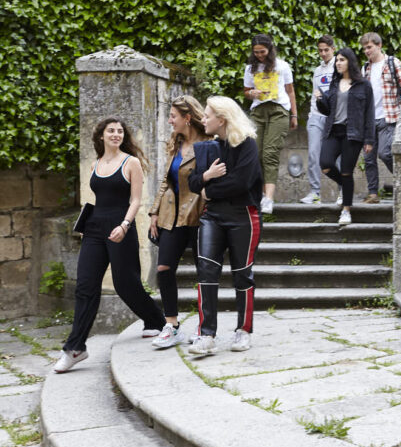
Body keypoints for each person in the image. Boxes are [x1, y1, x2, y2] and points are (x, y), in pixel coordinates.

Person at [55, 118, 166, 373]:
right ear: (101, 136)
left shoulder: (131, 162)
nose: (116, 134)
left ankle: (156, 320)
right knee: (85, 286)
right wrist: (87, 229)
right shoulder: (95, 164)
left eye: (119, 131)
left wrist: (125, 225)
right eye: (111, 131)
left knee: (126, 284)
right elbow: (96, 199)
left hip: (121, 227)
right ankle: (76, 348)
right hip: (94, 229)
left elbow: (136, 200)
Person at [186, 96, 264, 356]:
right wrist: (207, 178)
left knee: (242, 273)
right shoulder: (207, 148)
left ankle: (244, 330)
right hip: (213, 217)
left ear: (222, 118)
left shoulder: (247, 145)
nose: (203, 119)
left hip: (244, 215)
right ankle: (206, 335)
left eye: (207, 115)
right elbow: (193, 182)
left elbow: (242, 182)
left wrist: (209, 190)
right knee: (206, 271)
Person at [147, 95, 210, 349]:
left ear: (187, 118)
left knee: (204, 272)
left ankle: (206, 328)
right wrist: (154, 211)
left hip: (198, 214)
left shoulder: (209, 143)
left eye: (173, 116)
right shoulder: (176, 142)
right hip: (171, 216)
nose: (170, 121)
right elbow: (166, 180)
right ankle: (171, 325)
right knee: (164, 269)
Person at [316, 48, 375, 225]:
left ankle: (346, 211)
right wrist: (320, 100)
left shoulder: (363, 85)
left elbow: (369, 113)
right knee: (325, 164)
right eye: (337, 61)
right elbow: (327, 110)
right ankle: (346, 186)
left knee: (346, 171)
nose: (338, 63)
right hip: (333, 131)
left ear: (350, 61)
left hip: (353, 134)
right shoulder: (334, 83)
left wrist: (369, 139)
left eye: (341, 60)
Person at [243, 34, 296, 214]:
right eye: (256, 52)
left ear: (270, 49)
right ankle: (261, 194)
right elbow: (246, 91)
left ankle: (269, 199)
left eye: (262, 51)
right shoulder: (251, 68)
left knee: (270, 153)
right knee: (255, 154)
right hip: (258, 111)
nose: (259, 55)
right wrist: (252, 93)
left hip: (279, 110)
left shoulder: (282, 66)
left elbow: (290, 91)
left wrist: (294, 115)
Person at [360, 32, 401, 203]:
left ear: (379, 45)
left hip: (388, 118)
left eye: (369, 47)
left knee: (385, 153)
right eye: (364, 48)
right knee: (368, 159)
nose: (367, 51)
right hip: (369, 121)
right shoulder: (365, 68)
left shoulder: (393, 63)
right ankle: (373, 194)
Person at [301, 35, 337, 204]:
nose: (323, 53)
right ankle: (315, 192)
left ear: (333, 49)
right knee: (314, 154)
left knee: (337, 156)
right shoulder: (317, 70)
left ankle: (343, 192)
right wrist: (311, 114)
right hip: (316, 115)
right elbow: (314, 93)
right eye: (320, 50)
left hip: (335, 117)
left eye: (326, 50)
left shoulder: (340, 66)